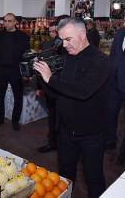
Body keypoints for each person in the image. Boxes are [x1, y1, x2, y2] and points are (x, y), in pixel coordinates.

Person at [34, 18, 112, 198]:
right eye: (61, 40)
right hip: (66, 131)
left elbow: (83, 91)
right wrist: (42, 77)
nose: (64, 44)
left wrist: (51, 79)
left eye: (68, 39)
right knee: (65, 176)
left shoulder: (100, 61)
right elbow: (55, 93)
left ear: (82, 34)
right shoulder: (66, 58)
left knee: (93, 177)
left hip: (91, 133)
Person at [0, 13, 30, 130]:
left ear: (15, 22)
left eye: (9, 21)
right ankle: (0, 119)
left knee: (18, 97)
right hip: (1, 70)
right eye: (5, 21)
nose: (6, 23)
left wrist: (26, 74)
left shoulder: (23, 37)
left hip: (16, 71)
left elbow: (26, 57)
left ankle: (15, 121)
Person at [106, 11, 125, 165]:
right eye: (124, 20)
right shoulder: (120, 33)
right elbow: (114, 55)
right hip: (114, 84)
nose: (124, 24)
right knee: (110, 115)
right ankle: (110, 142)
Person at [36, 21, 58, 153]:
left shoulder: (64, 46)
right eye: (50, 31)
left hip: (61, 87)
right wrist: (39, 86)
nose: (52, 34)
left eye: (55, 31)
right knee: (52, 115)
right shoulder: (47, 45)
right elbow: (40, 66)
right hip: (49, 87)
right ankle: (53, 140)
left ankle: (57, 140)